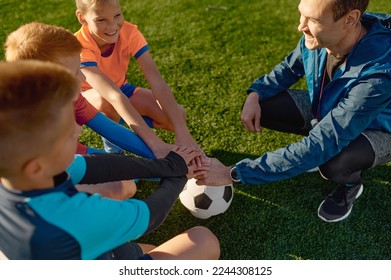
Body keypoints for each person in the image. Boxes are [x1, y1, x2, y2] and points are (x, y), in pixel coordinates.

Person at [0, 60, 220, 260]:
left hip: (79, 253)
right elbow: (151, 214)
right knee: (204, 241)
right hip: (84, 247)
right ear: (36, 167)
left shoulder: (21, 173)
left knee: (147, 245)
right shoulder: (74, 217)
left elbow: (100, 167)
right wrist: (178, 175)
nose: (77, 137)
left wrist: (168, 165)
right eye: (69, 137)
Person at [196, 0, 391, 223]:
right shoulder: (323, 34)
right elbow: (291, 67)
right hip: (333, 107)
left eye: (313, 20)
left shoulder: (377, 78)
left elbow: (322, 144)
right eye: (302, 15)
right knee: (264, 105)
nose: (301, 26)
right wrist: (256, 93)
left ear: (350, 19)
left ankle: (350, 184)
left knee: (332, 163)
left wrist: (233, 173)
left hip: (381, 128)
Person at [3, 22, 155, 199]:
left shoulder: (71, 98)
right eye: (75, 72)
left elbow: (110, 129)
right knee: (119, 188)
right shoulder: (13, 121)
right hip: (37, 183)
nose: (83, 78)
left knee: (130, 174)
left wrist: (166, 158)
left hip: (71, 154)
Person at [74, 0, 204, 162]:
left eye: (117, 15)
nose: (113, 25)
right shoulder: (79, 47)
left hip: (122, 89)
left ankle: (126, 125)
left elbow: (157, 81)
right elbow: (113, 95)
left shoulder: (129, 32)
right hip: (86, 99)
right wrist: (156, 145)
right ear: (82, 17)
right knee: (105, 100)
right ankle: (114, 150)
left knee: (178, 116)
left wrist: (184, 135)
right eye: (101, 20)